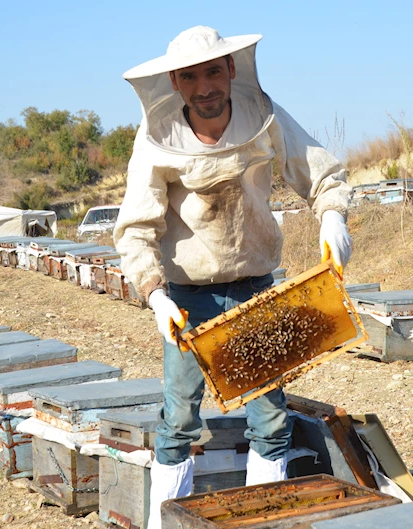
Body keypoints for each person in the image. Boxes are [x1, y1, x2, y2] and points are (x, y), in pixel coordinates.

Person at [113, 25, 352, 528]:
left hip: (255, 291)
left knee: (271, 418)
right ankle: (166, 521)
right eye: (192, 76)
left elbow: (320, 173)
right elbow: (135, 229)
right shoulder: (156, 140)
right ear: (175, 82)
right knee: (178, 420)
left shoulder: (263, 117)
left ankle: (257, 519)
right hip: (187, 298)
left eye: (214, 72)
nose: (205, 87)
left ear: (231, 70)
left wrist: (332, 216)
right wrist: (154, 294)